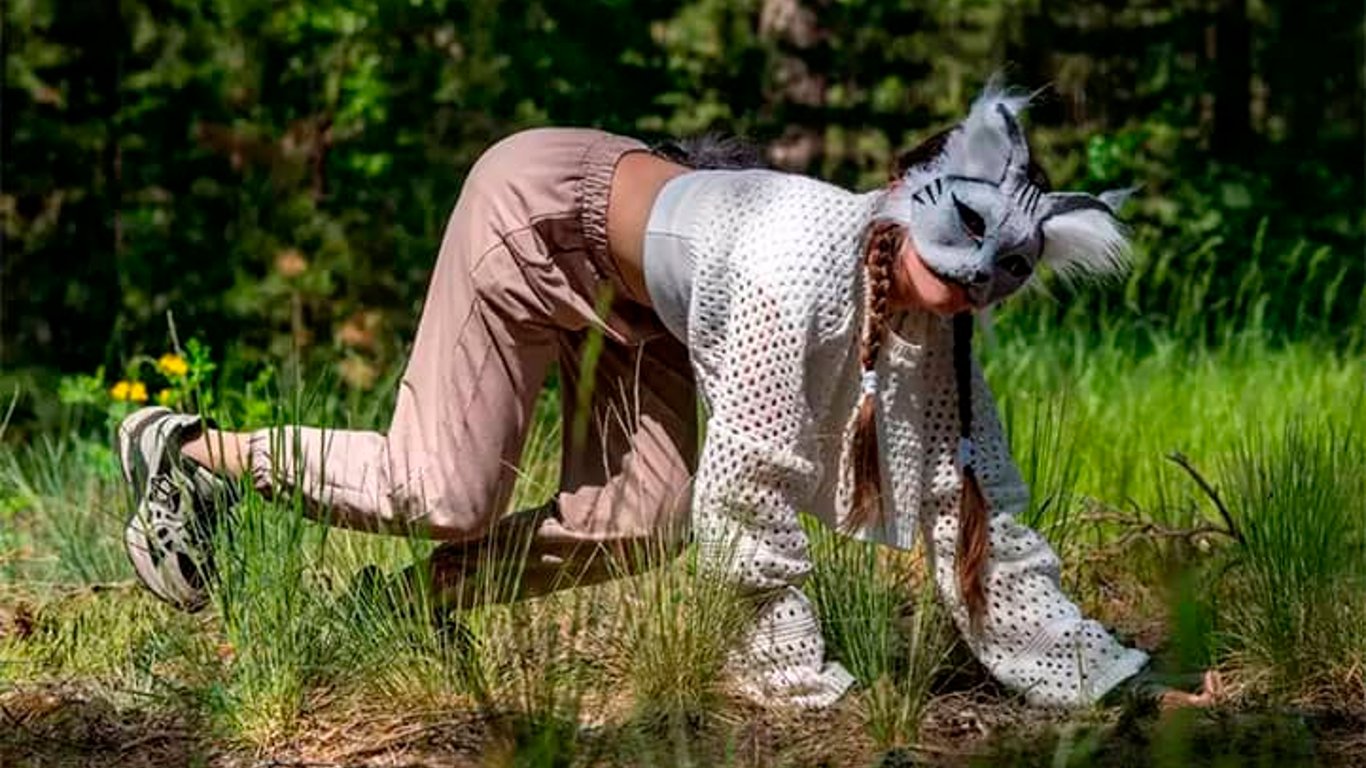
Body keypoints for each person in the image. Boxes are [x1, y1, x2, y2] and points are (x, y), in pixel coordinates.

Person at [117, 85, 1221, 711]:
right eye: (964, 250)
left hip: (647, 297)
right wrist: (793, 679)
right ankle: (194, 452)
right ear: (908, 199)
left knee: (639, 522)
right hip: (544, 213)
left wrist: (1095, 675)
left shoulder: (928, 316)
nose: (974, 285)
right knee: (443, 489)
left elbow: (971, 498)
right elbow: (747, 495)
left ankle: (398, 616)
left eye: (1004, 276)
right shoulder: (797, 269)